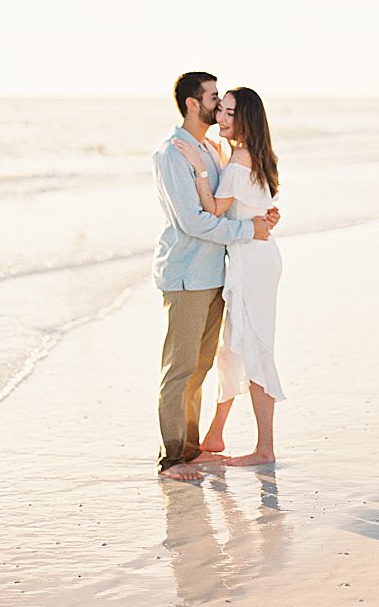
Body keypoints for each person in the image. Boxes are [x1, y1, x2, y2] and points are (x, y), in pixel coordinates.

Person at [150, 71, 278, 482]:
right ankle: (172, 460)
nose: (217, 105)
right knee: (180, 367)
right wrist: (250, 230)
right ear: (192, 103)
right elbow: (194, 221)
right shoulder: (174, 153)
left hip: (215, 274)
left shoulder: (208, 148)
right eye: (212, 98)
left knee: (201, 365)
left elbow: (235, 197)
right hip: (187, 274)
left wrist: (261, 215)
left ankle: (191, 450)